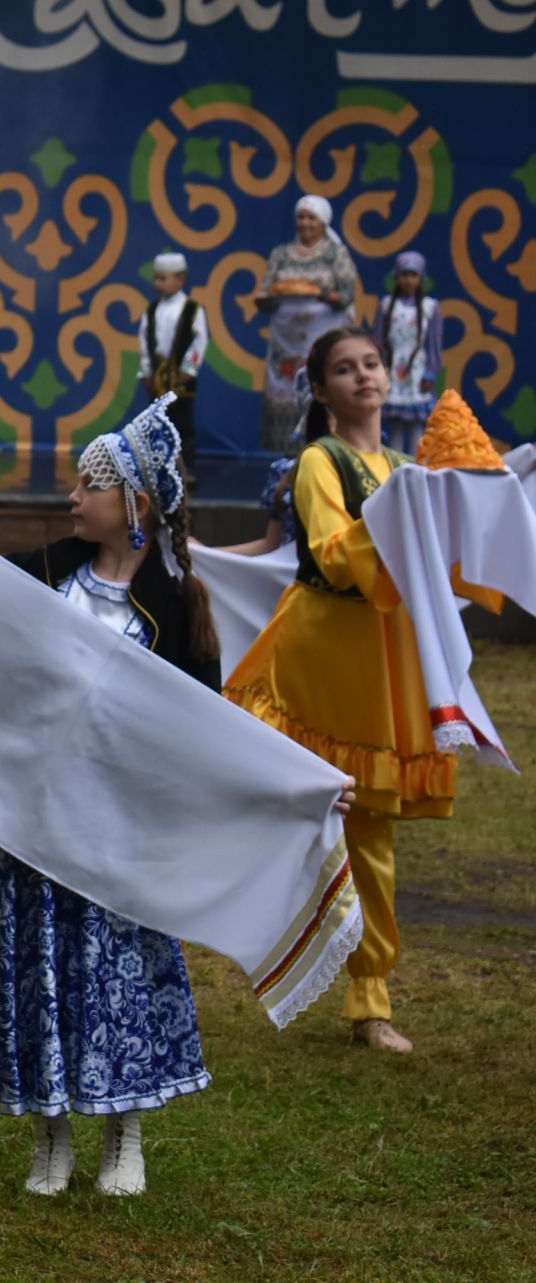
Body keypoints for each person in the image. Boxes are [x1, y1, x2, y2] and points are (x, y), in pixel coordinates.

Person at [0, 397, 218, 1197]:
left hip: (118, 829)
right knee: (39, 966)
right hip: (32, 817)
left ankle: (124, 1131)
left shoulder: (176, 602)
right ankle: (50, 1135)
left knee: (120, 972)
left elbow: (209, 728)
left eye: (90, 484)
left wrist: (295, 790)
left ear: (134, 502)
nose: (73, 498)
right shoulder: (46, 571)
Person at [226, 328, 496, 1055]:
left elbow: (445, 558)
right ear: (320, 390)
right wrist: (409, 516)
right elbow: (336, 553)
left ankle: (369, 999)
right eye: (344, 369)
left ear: (389, 373)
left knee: (370, 827)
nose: (363, 377)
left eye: (371, 364)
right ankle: (242, 930)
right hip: (318, 661)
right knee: (289, 813)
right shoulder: (323, 459)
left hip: (381, 662)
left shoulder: (405, 464)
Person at [258, 195, 360, 450]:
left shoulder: (335, 254)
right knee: (289, 388)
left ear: (323, 222)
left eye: (311, 217)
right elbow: (266, 293)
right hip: (287, 337)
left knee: (320, 384)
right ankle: (288, 456)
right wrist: (268, 299)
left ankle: (326, 450)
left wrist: (321, 294)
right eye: (301, 217)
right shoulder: (281, 254)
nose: (305, 223)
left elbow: (347, 295)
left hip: (321, 332)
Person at [136, 251, 209, 474]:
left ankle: (186, 469)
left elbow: (200, 340)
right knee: (157, 423)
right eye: (156, 278)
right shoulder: (151, 310)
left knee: (182, 423)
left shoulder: (192, 309)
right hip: (159, 376)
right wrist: (146, 370)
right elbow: (144, 341)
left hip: (181, 377)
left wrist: (189, 369)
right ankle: (159, 470)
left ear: (180, 279)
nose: (157, 284)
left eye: (163, 279)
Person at [371, 251, 444, 456]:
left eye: (414, 275)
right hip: (393, 368)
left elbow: (433, 344)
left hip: (416, 371)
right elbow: (378, 340)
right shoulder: (386, 305)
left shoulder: (430, 307)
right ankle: (395, 465)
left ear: (421, 278)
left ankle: (415, 463)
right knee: (395, 426)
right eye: (405, 275)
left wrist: (430, 372)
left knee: (415, 427)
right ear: (397, 277)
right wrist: (378, 367)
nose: (409, 280)